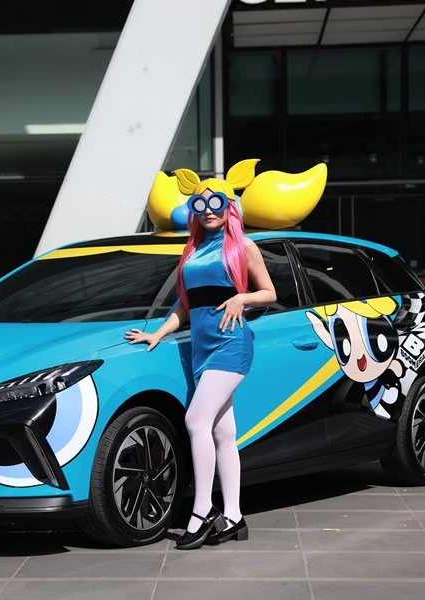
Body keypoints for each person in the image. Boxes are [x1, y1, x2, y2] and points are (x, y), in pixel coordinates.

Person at [124, 159, 276, 550]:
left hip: (231, 345)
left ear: (229, 207)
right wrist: (157, 333)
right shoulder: (192, 250)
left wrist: (242, 298)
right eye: (200, 204)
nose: (208, 210)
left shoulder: (243, 246)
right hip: (201, 349)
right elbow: (186, 305)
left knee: (196, 421)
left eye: (216, 203)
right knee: (224, 433)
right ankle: (235, 517)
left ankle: (203, 510)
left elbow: (269, 293)